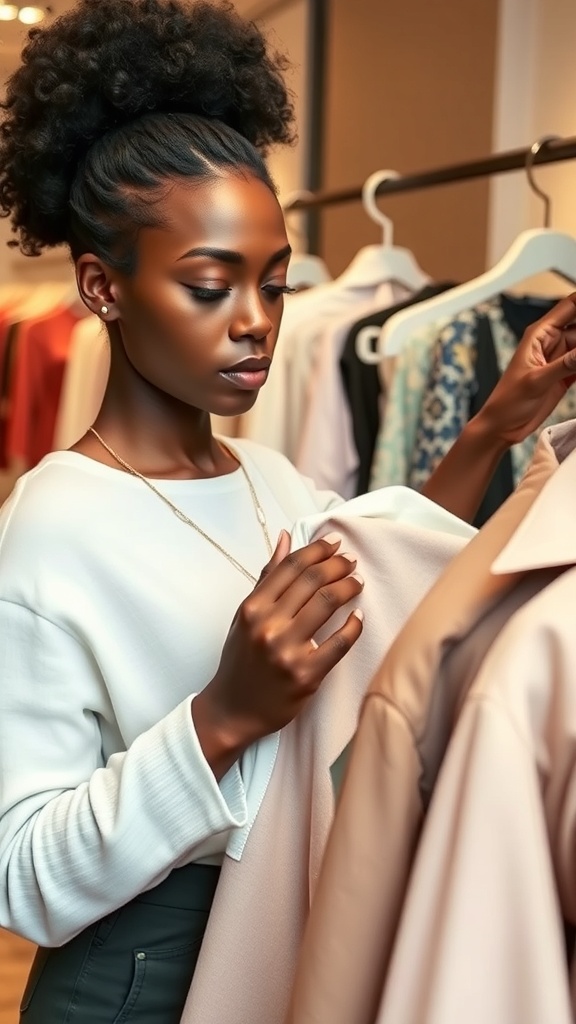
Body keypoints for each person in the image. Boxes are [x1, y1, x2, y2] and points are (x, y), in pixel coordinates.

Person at [1, 1, 576, 1021]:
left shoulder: (267, 476)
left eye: (273, 284)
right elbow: (26, 882)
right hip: (139, 979)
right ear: (102, 286)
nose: (257, 324)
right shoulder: (50, 529)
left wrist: (491, 429)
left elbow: (382, 584)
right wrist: (222, 718)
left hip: (282, 923)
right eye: (210, 285)